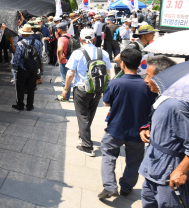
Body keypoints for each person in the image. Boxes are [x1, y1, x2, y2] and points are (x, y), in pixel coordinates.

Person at [98, 49, 157, 199]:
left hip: (115, 128)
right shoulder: (147, 84)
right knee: (134, 160)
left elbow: (106, 102)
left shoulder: (115, 83)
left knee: (108, 156)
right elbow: (153, 104)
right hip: (139, 131)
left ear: (122, 64)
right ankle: (126, 187)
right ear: (139, 65)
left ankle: (110, 186)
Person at [139, 56, 188, 208]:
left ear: (161, 77)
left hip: (168, 174)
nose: (145, 80)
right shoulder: (163, 97)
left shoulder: (177, 105)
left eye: (149, 76)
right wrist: (148, 130)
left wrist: (181, 171)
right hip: (152, 168)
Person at [62, 28, 112, 156]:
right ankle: (83, 135)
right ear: (94, 39)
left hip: (81, 89)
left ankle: (86, 146)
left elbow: (70, 73)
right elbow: (109, 72)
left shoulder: (77, 53)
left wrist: (66, 89)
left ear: (80, 40)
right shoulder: (103, 53)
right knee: (89, 114)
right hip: (97, 89)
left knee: (82, 116)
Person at [11, 24, 42, 111]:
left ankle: (20, 105)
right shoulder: (37, 42)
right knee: (31, 87)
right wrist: (39, 67)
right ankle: (30, 105)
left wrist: (14, 67)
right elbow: (40, 56)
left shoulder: (20, 44)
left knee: (20, 88)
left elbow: (17, 57)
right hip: (33, 69)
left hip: (22, 69)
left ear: (24, 34)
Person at [55, 23, 72, 101]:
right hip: (70, 59)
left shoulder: (61, 39)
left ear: (59, 29)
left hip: (64, 61)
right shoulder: (69, 36)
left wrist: (60, 57)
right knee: (69, 78)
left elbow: (60, 49)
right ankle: (67, 94)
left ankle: (65, 96)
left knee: (64, 79)